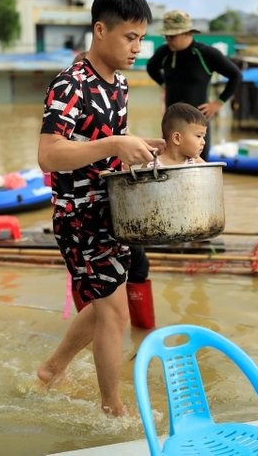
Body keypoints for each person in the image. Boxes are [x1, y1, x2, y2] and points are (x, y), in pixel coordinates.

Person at [37, 0, 164, 417]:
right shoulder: (70, 83)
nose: (137, 47)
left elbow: (109, 147)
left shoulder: (121, 86)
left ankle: (52, 369)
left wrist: (136, 146)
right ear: (100, 30)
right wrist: (113, 142)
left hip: (113, 210)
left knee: (105, 303)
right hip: (78, 216)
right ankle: (114, 411)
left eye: (142, 38)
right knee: (114, 314)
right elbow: (48, 153)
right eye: (130, 37)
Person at [69, 49, 155, 330]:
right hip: (88, 213)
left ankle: (141, 330)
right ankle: (115, 331)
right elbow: (53, 159)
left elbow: (120, 138)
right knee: (98, 293)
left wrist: (149, 145)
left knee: (137, 266)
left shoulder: (118, 90)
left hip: (119, 205)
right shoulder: (68, 100)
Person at [146, 9, 242, 160]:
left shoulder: (206, 53)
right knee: (169, 165)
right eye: (166, 36)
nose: (168, 39)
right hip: (171, 124)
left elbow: (236, 75)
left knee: (199, 167)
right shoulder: (164, 52)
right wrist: (164, 83)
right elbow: (150, 67)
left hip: (197, 125)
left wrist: (218, 103)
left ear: (187, 33)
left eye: (173, 36)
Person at [149, 102, 207, 166]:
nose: (203, 142)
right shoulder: (152, 165)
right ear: (177, 138)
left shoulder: (196, 162)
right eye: (198, 136)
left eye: (203, 137)